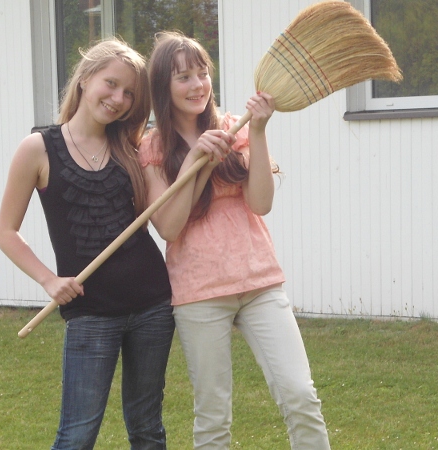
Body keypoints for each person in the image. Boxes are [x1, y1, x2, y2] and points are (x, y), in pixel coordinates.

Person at [139, 31, 330, 449]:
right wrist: (196, 159)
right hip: (199, 293)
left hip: (260, 282)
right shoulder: (152, 148)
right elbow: (169, 227)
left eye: (202, 73)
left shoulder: (234, 128)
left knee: (300, 396)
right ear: (163, 88)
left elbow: (261, 203)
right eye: (183, 77)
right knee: (213, 416)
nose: (198, 85)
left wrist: (258, 130)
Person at [0, 38, 174, 450]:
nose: (118, 99)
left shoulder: (132, 148)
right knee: (77, 435)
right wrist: (48, 280)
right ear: (85, 78)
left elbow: (164, 214)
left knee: (147, 429)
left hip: (152, 304)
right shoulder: (38, 148)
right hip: (90, 310)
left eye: (129, 94)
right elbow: (6, 232)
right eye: (111, 84)